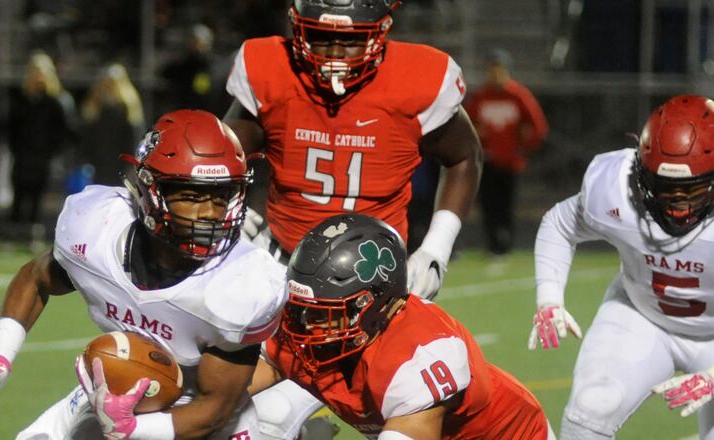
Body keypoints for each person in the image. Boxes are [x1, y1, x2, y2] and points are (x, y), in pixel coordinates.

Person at [0, 110, 287, 440]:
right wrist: (1, 357)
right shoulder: (97, 231)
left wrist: (133, 429)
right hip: (120, 389)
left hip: (202, 418)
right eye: (193, 196)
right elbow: (37, 277)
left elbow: (215, 408)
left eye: (222, 196)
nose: (211, 213)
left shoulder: (241, 284)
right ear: (151, 190)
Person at [223, 0, 482, 301]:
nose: (335, 53)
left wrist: (436, 248)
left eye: (351, 39)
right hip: (281, 261)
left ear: (381, 31)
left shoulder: (418, 78)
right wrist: (226, 212)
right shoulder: (272, 68)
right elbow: (223, 153)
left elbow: (465, 157)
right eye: (320, 36)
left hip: (375, 272)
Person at [251, 213, 553, 439]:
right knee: (265, 416)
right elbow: (220, 396)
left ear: (378, 306)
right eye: (304, 310)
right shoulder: (311, 332)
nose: (307, 325)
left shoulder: (420, 353)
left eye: (324, 313)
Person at [527, 95, 714, 439]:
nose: (677, 205)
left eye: (692, 191)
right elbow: (560, 224)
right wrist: (549, 298)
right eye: (664, 188)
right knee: (589, 412)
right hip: (642, 313)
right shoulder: (616, 187)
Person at [464, 48, 548, 256]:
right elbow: (466, 125)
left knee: (506, 203)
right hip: (487, 159)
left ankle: (506, 242)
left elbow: (538, 127)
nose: (495, 74)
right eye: (492, 70)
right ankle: (493, 243)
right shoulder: (481, 96)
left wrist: (522, 145)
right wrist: (477, 136)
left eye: (498, 70)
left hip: (510, 161)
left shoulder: (518, 95)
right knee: (488, 202)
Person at [7, 51, 73, 225]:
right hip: (22, 156)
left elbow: (64, 130)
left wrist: (52, 151)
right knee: (19, 194)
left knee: (38, 196)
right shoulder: (20, 99)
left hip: (43, 158)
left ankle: (33, 231)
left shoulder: (57, 102)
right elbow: (11, 127)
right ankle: (14, 231)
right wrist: (16, 148)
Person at [80, 63, 144, 186]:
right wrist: (85, 158)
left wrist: (130, 162)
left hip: (119, 163)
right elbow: (87, 136)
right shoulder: (95, 106)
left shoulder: (128, 108)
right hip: (98, 162)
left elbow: (133, 138)